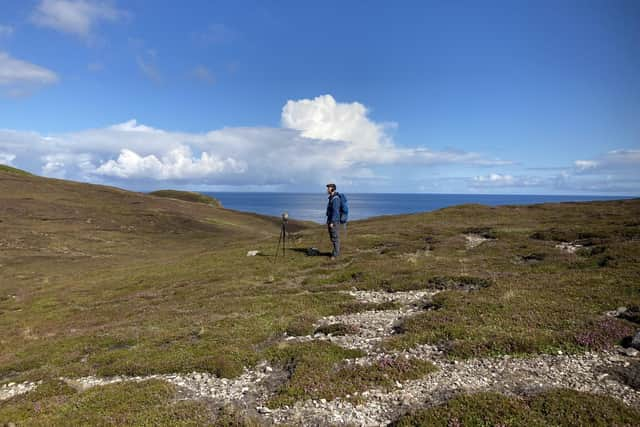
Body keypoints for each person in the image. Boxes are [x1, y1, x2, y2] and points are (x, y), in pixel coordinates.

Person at [326, 183, 341, 260]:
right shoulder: (331, 197)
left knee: (335, 237)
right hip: (331, 220)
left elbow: (335, 211)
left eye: (328, 188)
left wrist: (332, 222)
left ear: (332, 189)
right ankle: (335, 252)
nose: (327, 190)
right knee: (333, 237)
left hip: (334, 222)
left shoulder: (335, 199)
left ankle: (335, 255)